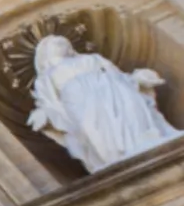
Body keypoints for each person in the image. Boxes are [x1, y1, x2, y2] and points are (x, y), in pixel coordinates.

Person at [27, 33, 182, 172]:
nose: (63, 45)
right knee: (94, 127)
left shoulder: (92, 58)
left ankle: (143, 140)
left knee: (130, 113)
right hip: (79, 100)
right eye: (57, 43)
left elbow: (119, 76)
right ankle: (114, 154)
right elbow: (50, 102)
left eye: (64, 42)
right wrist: (45, 114)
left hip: (114, 89)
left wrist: (136, 79)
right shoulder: (45, 77)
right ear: (46, 51)